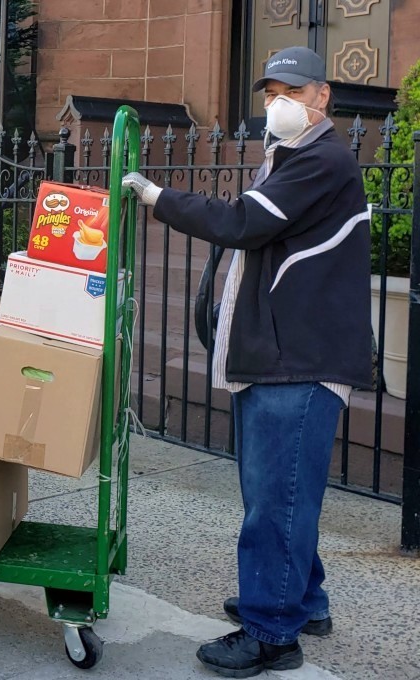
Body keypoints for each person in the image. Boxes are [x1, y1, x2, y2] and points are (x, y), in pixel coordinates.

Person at [122, 46, 371, 678]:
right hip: (280, 354)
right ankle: (300, 601)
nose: (276, 103)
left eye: (291, 91)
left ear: (323, 99)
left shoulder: (322, 159)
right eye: (268, 93)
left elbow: (240, 224)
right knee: (285, 495)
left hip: (298, 360)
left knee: (275, 501)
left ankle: (270, 633)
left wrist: (158, 197)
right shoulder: (295, 159)